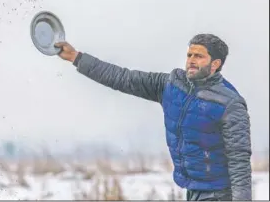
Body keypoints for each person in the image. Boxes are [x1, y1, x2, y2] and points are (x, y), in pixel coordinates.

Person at [54, 34, 252, 201]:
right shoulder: (171, 85)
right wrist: (76, 57)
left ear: (215, 64)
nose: (191, 60)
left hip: (219, 194)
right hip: (192, 190)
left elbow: (239, 160)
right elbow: (123, 78)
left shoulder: (229, 103)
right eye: (189, 54)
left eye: (199, 56)